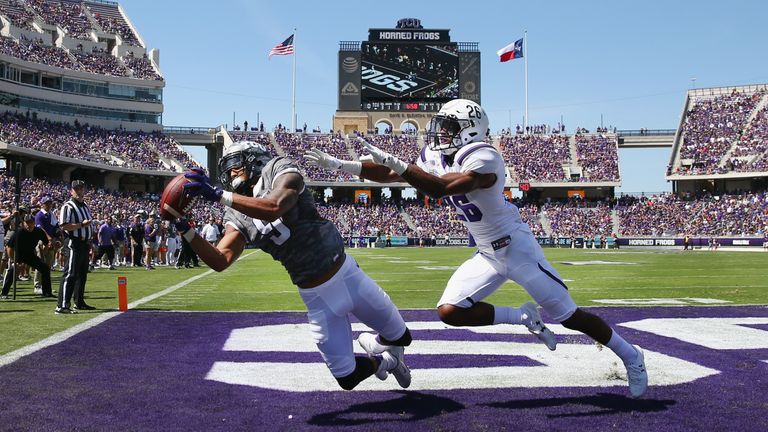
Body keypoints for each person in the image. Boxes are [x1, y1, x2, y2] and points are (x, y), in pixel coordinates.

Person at [305, 98, 648, 398]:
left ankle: (630, 354)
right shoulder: (438, 154)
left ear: (469, 129)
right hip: (487, 252)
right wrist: (344, 166)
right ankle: (521, 316)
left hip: (516, 249)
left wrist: (400, 166)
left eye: (449, 127)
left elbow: (440, 188)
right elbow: (396, 176)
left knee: (570, 316)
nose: (441, 133)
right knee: (450, 311)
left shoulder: (484, 156)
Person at [179, 141, 413, 391]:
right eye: (226, 171)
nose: (230, 175)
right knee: (347, 378)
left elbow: (274, 207)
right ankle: (384, 362)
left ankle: (377, 344)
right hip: (316, 298)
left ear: (254, 159)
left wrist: (218, 195)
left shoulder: (279, 168)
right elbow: (220, 259)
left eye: (234, 166)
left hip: (347, 276)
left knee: (403, 337)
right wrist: (185, 229)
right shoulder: (236, 213)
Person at [57, 180, 95, 314]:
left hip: (84, 243)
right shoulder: (68, 206)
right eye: (76, 189)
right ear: (71, 191)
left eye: (81, 188)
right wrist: (81, 225)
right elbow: (64, 225)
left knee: (82, 275)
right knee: (70, 274)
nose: (79, 191)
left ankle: (79, 302)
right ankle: (62, 305)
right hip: (74, 242)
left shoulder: (85, 206)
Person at [1, 215, 54, 299]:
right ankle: (4, 293)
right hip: (18, 256)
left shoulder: (38, 231)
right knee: (12, 271)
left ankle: (47, 292)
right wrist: (13, 260)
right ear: (24, 223)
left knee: (45, 268)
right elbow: (9, 247)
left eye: (31, 223)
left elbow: (46, 243)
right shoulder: (19, 232)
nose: (29, 225)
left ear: (34, 223)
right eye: (27, 223)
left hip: (30, 255)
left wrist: (44, 252)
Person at [34, 196, 59, 293]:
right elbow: (41, 229)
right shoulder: (39, 215)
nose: (49, 205)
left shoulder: (51, 215)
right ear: (42, 204)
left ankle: (46, 286)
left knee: (48, 265)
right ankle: (37, 285)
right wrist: (48, 239)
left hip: (51, 241)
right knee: (40, 263)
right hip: (42, 241)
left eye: (50, 203)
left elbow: (56, 226)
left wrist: (58, 236)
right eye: (47, 203)